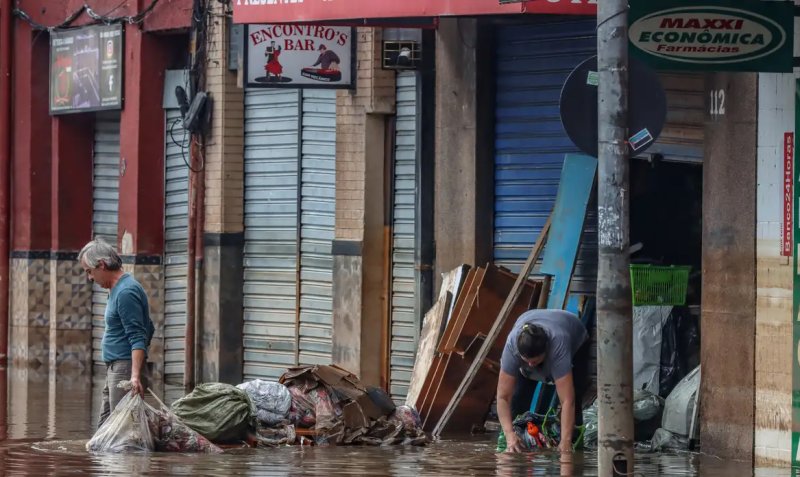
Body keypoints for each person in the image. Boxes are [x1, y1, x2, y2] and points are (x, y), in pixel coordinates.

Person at [79, 238, 155, 428]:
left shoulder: (125, 292)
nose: (90, 278)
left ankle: (134, 459)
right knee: (105, 431)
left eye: (89, 271)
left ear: (102, 265)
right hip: (117, 367)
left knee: (122, 431)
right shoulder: (116, 289)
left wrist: (134, 376)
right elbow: (149, 327)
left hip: (124, 369)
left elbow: (139, 335)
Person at [496, 309, 590, 453]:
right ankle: (515, 444)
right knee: (518, 398)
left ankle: (573, 445)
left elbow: (567, 401)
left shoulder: (558, 346)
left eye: (535, 361)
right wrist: (509, 435)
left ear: (546, 351)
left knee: (574, 398)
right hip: (531, 325)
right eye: (527, 361)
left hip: (575, 336)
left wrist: (565, 442)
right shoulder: (512, 347)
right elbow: (503, 397)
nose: (531, 365)